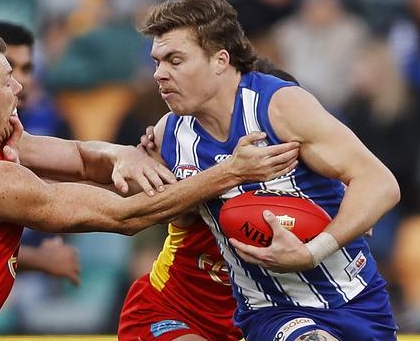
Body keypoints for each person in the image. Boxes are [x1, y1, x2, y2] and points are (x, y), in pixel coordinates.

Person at [0, 27, 300, 340]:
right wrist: (232, 171)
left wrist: (127, 156)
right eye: (7, 79)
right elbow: (126, 216)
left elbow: (83, 158)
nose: (19, 88)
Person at [138, 0, 400, 341]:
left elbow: (381, 184)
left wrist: (312, 250)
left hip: (354, 299)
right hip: (270, 312)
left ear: (220, 60)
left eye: (174, 60)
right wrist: (127, 159)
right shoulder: (168, 135)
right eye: (157, 62)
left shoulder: (280, 107)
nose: (159, 74)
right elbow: (158, 215)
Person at [118, 63, 299, 341]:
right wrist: (162, 158)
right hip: (172, 311)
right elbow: (178, 212)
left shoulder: (314, 183)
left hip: (259, 322)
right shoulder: (192, 159)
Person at [0, 20, 80, 285]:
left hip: (27, 263)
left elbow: (76, 173)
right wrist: (40, 260)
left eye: (27, 68)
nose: (21, 80)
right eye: (10, 68)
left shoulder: (51, 120)